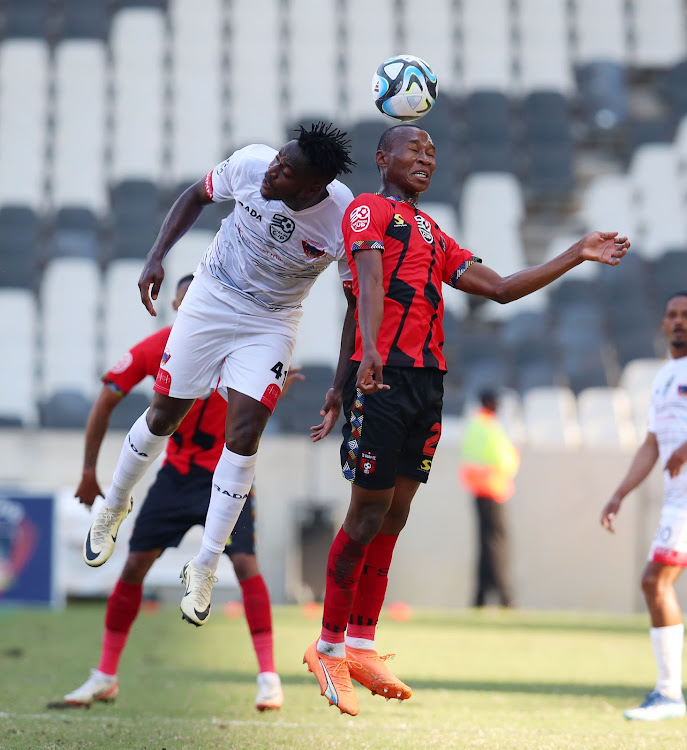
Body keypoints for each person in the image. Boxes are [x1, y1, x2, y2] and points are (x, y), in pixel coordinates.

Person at [303, 122, 630, 716]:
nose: (426, 156)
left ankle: (361, 643)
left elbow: (501, 289)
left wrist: (575, 253)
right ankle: (327, 646)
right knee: (365, 513)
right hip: (384, 377)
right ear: (382, 159)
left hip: (427, 386)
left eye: (432, 150)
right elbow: (367, 284)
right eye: (413, 149)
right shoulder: (367, 212)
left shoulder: (433, 231)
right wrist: (365, 356)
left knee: (395, 516)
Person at [82, 123, 358, 632]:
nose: (272, 171)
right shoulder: (252, 164)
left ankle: (205, 564)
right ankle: (115, 504)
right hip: (212, 297)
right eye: (277, 161)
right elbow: (195, 195)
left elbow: (356, 304)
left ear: (313, 186)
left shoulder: (343, 218)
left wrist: (340, 385)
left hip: (271, 321)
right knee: (164, 416)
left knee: (245, 435)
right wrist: (156, 255)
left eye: (286, 171)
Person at [65, 275, 302, 711]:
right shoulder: (160, 347)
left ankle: (269, 678)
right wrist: (87, 471)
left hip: (224, 481)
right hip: (176, 476)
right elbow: (106, 397)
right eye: (186, 298)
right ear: (177, 304)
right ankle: (104, 675)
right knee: (134, 563)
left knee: (246, 564)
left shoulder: (240, 349)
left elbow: (249, 410)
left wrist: (276, 391)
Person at [601, 292, 687, 721]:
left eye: (686, 315)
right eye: (672, 314)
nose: (678, 322)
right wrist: (619, 493)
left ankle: (670, 693)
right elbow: (652, 444)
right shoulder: (665, 376)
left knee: (655, 580)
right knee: (656, 582)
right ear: (662, 324)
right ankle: (670, 693)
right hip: (678, 500)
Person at [460, 388, 520, 608]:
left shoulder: (475, 424)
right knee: (496, 544)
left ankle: (481, 597)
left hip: (480, 490)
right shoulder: (489, 426)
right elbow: (505, 461)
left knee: (486, 544)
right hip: (493, 489)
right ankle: (504, 595)